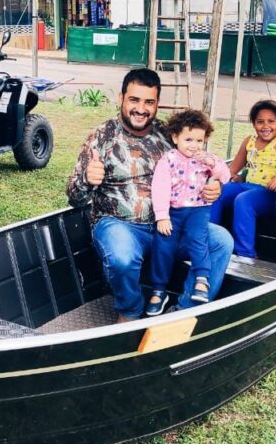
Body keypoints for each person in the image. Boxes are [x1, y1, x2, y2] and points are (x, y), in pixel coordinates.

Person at [67, 69, 234, 321]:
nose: (141, 109)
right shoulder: (101, 137)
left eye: (149, 102)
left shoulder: (168, 134)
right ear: (121, 98)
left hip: (172, 224)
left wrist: (214, 185)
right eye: (134, 100)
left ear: (157, 104)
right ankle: (130, 312)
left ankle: (185, 313)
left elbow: (201, 166)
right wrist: (87, 180)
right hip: (121, 225)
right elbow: (73, 197)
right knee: (122, 257)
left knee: (221, 240)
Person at [147, 110, 231, 316]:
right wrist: (162, 216)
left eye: (199, 140)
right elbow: (160, 188)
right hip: (174, 212)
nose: (194, 145)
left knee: (198, 239)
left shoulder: (207, 159)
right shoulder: (168, 160)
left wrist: (214, 166)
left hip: (198, 210)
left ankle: (202, 280)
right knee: (163, 245)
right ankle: (158, 290)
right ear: (175, 137)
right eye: (188, 139)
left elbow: (226, 176)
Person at [210, 99, 276, 259]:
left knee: (244, 200)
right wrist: (231, 178)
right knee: (220, 192)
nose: (265, 126)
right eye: (260, 122)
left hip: (270, 193)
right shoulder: (249, 141)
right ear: (253, 123)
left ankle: (245, 254)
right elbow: (231, 170)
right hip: (248, 186)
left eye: (271, 121)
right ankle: (209, 240)